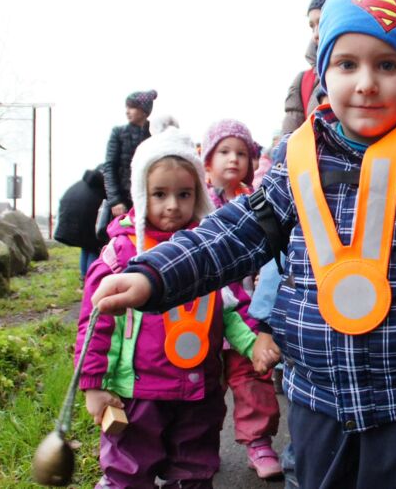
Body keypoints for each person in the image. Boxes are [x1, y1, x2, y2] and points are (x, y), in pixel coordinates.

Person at [90, 0, 396, 488]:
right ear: (324, 70)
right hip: (318, 395)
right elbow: (235, 234)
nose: (366, 83)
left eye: (387, 64)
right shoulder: (297, 155)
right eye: (347, 64)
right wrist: (154, 274)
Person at [76, 129, 268, 488]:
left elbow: (231, 308)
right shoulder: (121, 255)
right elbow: (94, 323)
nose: (172, 206)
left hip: (199, 388)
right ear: (139, 195)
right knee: (130, 468)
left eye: (184, 194)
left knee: (195, 466)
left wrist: (253, 342)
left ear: (198, 194)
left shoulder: (209, 254)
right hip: (138, 393)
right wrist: (93, 384)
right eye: (159, 194)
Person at [201, 118, 283, 479]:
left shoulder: (256, 202)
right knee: (203, 385)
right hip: (202, 312)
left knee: (252, 377)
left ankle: (259, 442)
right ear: (207, 161)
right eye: (224, 152)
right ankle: (200, 446)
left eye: (241, 153)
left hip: (244, 308)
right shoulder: (196, 203)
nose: (233, 159)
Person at [281, 0, 336, 135]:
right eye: (312, 26)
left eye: (322, 22)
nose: (316, 34)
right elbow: (289, 141)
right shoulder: (303, 81)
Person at [103, 89, 158, 219]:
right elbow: (109, 167)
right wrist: (116, 200)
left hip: (149, 200)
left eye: (132, 107)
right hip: (123, 203)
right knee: (122, 235)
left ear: (144, 110)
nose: (127, 111)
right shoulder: (118, 133)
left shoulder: (156, 135)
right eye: (127, 107)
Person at [54, 164, 106, 281]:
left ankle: (84, 277)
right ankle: (91, 280)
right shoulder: (102, 185)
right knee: (94, 245)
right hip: (85, 216)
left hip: (72, 215)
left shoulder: (86, 184)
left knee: (86, 245)